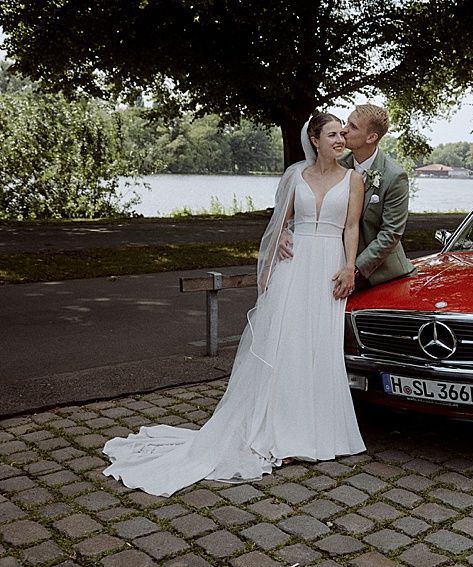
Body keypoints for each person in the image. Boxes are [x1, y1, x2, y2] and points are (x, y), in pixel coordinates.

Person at [101, 113, 367, 497]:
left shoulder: (353, 179)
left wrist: (349, 266)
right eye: (332, 134)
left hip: (329, 267)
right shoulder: (296, 177)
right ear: (314, 138)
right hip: (294, 268)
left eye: (343, 134)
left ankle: (320, 432)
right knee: (286, 343)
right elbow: (281, 223)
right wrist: (274, 257)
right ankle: (282, 430)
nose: (341, 140)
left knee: (319, 345)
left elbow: (351, 227)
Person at [279, 104, 415, 293]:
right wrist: (284, 231)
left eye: (352, 127)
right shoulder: (336, 165)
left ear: (371, 137)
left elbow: (390, 234)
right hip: (334, 266)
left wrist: (354, 268)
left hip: (381, 275)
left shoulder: (394, 176)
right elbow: (304, 204)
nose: (344, 130)